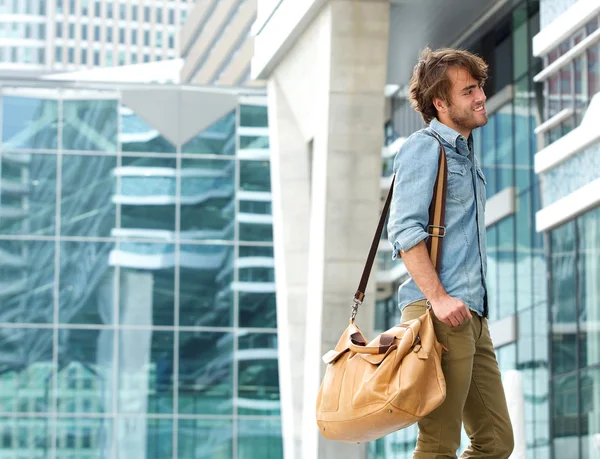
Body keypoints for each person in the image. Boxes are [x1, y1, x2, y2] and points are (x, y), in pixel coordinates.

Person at [387, 47, 515, 458]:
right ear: (440, 103)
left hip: (472, 317)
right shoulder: (426, 147)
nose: (480, 96)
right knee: (439, 443)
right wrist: (440, 299)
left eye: (479, 87)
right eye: (468, 91)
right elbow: (405, 231)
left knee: (496, 441)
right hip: (437, 315)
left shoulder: (468, 156)